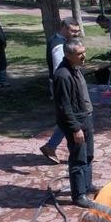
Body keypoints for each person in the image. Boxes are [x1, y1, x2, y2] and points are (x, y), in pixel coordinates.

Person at [54, 38, 95, 207]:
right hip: (76, 122)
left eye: (84, 52)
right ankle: (79, 195)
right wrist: (75, 128)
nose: (84, 56)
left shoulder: (76, 68)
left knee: (89, 155)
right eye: (80, 54)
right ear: (69, 55)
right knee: (78, 159)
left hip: (85, 117)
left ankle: (86, 185)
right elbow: (64, 106)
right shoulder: (63, 75)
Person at [40, 17, 82, 164]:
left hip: (63, 84)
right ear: (64, 28)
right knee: (69, 116)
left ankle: (51, 146)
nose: (76, 34)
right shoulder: (58, 45)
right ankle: (53, 146)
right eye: (73, 31)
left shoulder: (61, 41)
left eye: (77, 31)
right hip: (63, 86)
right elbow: (61, 70)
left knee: (67, 117)